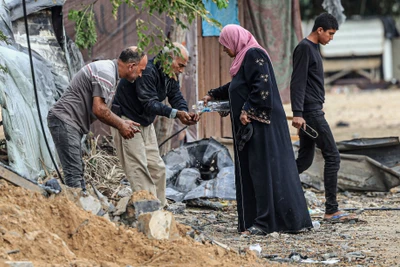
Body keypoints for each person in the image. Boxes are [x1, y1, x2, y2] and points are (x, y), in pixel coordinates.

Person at [202, 25, 312, 235]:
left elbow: (263, 87)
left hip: (262, 129)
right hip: (254, 129)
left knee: (261, 172)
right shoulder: (245, 58)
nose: (225, 50)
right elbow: (239, 84)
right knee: (256, 171)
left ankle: (264, 222)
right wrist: (214, 94)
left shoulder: (253, 54)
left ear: (235, 40)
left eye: (225, 45)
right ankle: (264, 220)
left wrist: (248, 109)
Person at [47, 46, 148, 191]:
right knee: (74, 177)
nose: (141, 75)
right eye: (141, 70)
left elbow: (103, 109)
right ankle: (74, 211)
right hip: (65, 121)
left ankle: (79, 208)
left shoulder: (110, 74)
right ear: (131, 66)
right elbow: (99, 109)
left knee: (77, 173)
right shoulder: (106, 72)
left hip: (69, 123)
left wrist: (123, 122)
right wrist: (120, 125)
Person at [111, 42, 199, 207]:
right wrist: (175, 114)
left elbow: (175, 95)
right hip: (126, 120)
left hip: (145, 122)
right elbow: (149, 103)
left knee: (157, 168)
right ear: (168, 59)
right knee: (138, 168)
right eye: (180, 65)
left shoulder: (169, 73)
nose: (181, 70)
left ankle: (160, 207)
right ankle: (147, 209)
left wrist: (184, 111)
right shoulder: (149, 71)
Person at [290, 13, 354, 222]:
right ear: (319, 30)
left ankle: (274, 186)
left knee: (305, 159)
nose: (331, 38)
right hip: (309, 113)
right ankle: (331, 210)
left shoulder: (314, 48)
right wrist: (299, 114)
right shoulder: (304, 48)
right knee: (333, 156)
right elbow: (297, 82)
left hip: (313, 109)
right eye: (330, 34)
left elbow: (310, 83)